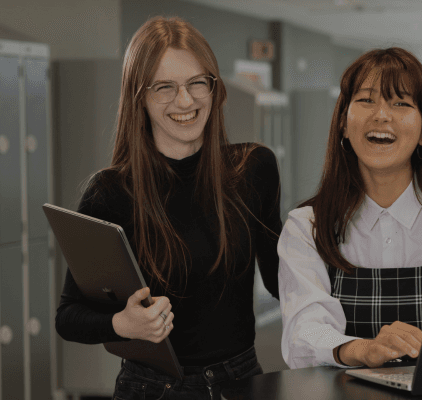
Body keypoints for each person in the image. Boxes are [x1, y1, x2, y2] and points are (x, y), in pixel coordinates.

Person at [55, 16, 282, 399]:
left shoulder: (253, 169)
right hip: (152, 388)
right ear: (138, 97)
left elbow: (283, 281)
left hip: (241, 381)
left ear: (215, 88)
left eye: (197, 83)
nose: (185, 100)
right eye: (164, 87)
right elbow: (69, 317)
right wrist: (123, 325)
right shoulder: (110, 192)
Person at [278, 47, 422, 370]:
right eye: (366, 100)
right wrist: (363, 349)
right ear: (343, 125)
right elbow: (302, 335)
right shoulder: (308, 226)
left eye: (400, 103)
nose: (381, 115)